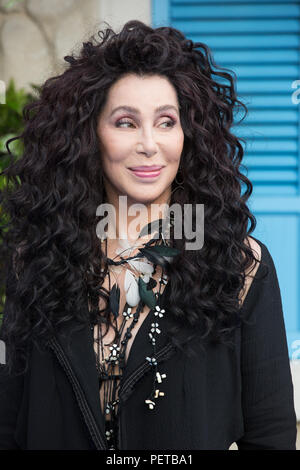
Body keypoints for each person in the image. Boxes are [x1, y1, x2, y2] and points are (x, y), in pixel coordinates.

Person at [0, 20, 297, 450]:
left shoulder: (239, 266)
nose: (148, 144)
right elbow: (8, 424)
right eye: (125, 122)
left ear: (187, 136)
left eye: (166, 122)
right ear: (90, 136)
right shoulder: (38, 257)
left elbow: (270, 434)